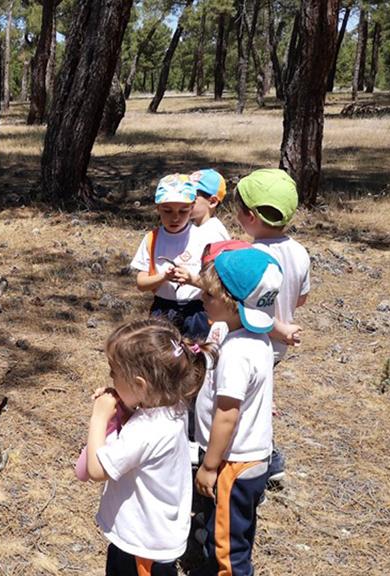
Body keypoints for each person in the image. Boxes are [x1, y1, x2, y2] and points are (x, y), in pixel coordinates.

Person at [79, 319, 216, 576]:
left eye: (114, 373)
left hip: (143, 545)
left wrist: (99, 417)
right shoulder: (172, 404)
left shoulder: (147, 430)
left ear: (140, 385)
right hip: (146, 534)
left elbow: (96, 471)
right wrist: (123, 410)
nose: (110, 378)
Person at [194, 248, 283, 576]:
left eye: (209, 292)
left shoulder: (235, 352)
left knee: (229, 549)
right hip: (253, 459)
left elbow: (228, 415)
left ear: (232, 302)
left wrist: (209, 465)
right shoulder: (258, 340)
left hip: (232, 463)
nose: (201, 297)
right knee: (237, 530)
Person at [235, 169, 310, 485]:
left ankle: (260, 460)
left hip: (257, 342)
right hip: (278, 349)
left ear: (250, 217)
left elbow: (250, 310)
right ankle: (270, 461)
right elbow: (302, 299)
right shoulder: (299, 251)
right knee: (260, 401)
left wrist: (277, 329)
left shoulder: (253, 256)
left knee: (242, 405)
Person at [131, 174, 210, 339]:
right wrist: (163, 277)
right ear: (158, 207)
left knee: (196, 359)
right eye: (167, 211)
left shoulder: (204, 238)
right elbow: (141, 283)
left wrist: (192, 280)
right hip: (163, 309)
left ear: (192, 206)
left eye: (183, 211)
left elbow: (216, 284)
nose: (175, 218)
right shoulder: (152, 239)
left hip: (197, 310)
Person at [189, 169, 230, 243]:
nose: (186, 200)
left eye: (192, 196)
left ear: (212, 202)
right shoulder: (194, 227)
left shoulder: (214, 235)